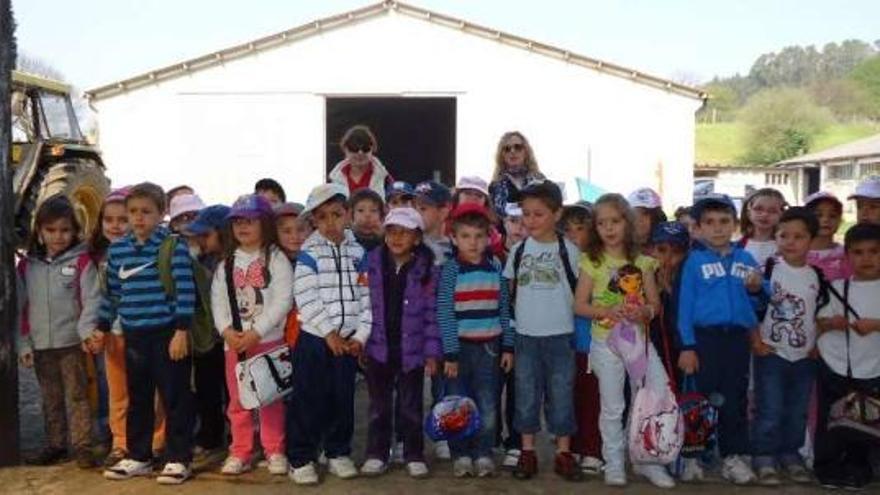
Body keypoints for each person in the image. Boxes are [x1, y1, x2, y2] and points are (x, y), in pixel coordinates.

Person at [98, 182, 197, 485]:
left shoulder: (172, 246)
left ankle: (179, 458)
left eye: (146, 211)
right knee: (138, 398)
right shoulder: (117, 251)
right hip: (134, 337)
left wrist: (181, 331)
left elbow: (185, 290)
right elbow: (111, 295)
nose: (138, 218)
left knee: (174, 397)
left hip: (167, 335)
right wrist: (101, 328)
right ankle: (138, 456)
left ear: (161, 213)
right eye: (133, 212)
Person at [573, 193, 673, 488]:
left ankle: (646, 460)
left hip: (639, 345)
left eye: (615, 221)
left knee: (654, 394)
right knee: (613, 406)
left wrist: (644, 311)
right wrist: (607, 310)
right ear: (595, 228)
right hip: (605, 345)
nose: (609, 228)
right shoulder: (592, 261)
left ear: (627, 223)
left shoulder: (643, 263)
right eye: (601, 223)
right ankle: (613, 462)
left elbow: (655, 305)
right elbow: (579, 305)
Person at [677, 194, 765, 485]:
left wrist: (756, 288)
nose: (717, 228)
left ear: (735, 225)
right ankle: (691, 456)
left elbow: (765, 295)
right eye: (709, 223)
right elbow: (685, 308)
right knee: (698, 401)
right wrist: (687, 346)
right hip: (704, 340)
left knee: (735, 399)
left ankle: (733, 457)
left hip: (737, 341)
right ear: (698, 228)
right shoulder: (694, 262)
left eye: (724, 221)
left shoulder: (746, 258)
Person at [287, 183, 372, 485]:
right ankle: (301, 457)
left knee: (342, 398)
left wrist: (361, 335)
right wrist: (328, 334)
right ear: (314, 222)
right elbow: (306, 299)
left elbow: (366, 298)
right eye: (322, 218)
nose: (330, 223)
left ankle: (337, 452)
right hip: (314, 339)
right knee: (308, 399)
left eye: (337, 214)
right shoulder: (309, 253)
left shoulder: (358, 252)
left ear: (348, 214)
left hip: (347, 341)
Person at [505, 181, 583, 481]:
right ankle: (527, 452)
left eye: (538, 214)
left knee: (561, 394)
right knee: (526, 395)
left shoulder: (570, 251)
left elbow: (581, 290)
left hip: (561, 336)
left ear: (556, 213)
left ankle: (564, 453)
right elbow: (511, 290)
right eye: (526, 214)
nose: (530, 220)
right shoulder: (519, 250)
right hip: (526, 337)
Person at [211, 194, 294, 476]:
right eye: (237, 222)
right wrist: (226, 331)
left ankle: (274, 450)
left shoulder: (276, 258)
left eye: (250, 221)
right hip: (235, 345)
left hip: (269, 341)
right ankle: (241, 450)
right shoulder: (227, 264)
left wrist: (258, 332)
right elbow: (218, 301)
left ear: (265, 224)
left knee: (271, 399)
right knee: (238, 401)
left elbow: (283, 299)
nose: (243, 227)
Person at [16, 195, 100, 468]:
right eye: (50, 230)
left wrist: (86, 333)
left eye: (65, 230)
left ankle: (83, 447)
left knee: (77, 396)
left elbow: (91, 300)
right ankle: (56, 445)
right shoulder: (27, 266)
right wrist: (24, 345)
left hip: (72, 344)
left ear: (75, 231)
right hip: (41, 347)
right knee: (50, 399)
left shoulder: (82, 262)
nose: (58, 236)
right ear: (39, 232)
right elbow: (22, 309)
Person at [88, 188, 168, 468]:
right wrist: (98, 329)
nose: (116, 225)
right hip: (115, 334)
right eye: (109, 219)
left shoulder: (155, 250)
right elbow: (104, 300)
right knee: (118, 392)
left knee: (153, 392)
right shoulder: (98, 259)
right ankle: (121, 443)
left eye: (123, 219)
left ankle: (157, 442)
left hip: (146, 332)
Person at [360, 208, 440, 479]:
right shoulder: (370, 263)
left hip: (412, 353)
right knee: (378, 407)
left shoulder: (427, 270)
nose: (396, 237)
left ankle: (413, 453)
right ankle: (377, 453)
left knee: (411, 407)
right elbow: (362, 306)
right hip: (377, 349)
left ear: (417, 238)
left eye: (404, 232)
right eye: (392, 231)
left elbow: (431, 315)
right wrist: (361, 341)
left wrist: (432, 353)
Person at [437, 203, 513, 478]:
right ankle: (460, 454)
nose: (473, 242)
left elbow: (504, 308)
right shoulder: (450, 270)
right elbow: (444, 312)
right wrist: (451, 354)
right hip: (460, 349)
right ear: (454, 239)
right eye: (466, 236)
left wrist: (507, 345)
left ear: (488, 237)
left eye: (479, 236)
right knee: (458, 404)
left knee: (488, 402)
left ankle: (483, 453)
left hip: (490, 349)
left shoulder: (496, 266)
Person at [750, 207, 823, 486]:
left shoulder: (816, 276)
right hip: (772, 352)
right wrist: (756, 341)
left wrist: (817, 344)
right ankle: (764, 455)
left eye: (799, 236)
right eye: (784, 235)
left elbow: (818, 314)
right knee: (769, 406)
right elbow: (751, 308)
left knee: (797, 409)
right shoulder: (768, 270)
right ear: (776, 238)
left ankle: (790, 454)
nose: (791, 242)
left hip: (804, 356)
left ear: (811, 241)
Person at [814, 223, 880, 490]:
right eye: (858, 252)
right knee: (831, 419)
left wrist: (875, 325)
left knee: (865, 421)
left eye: (874, 252)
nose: (866, 258)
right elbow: (819, 320)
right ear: (847, 256)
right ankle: (827, 468)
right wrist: (832, 323)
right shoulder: (836, 287)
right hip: (835, 364)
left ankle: (857, 468)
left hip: (873, 367)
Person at [184, 204, 232, 458]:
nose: (201, 240)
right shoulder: (200, 262)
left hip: (232, 337)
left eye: (206, 235)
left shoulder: (236, 261)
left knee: (235, 391)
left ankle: (238, 436)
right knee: (207, 390)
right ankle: (210, 435)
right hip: (207, 339)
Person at [560, 201, 603, 476]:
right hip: (564, 341)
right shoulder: (559, 259)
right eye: (568, 230)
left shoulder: (600, 262)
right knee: (568, 397)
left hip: (594, 342)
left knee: (593, 400)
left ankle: (592, 450)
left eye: (581, 229)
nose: (575, 236)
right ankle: (572, 446)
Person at [649, 221, 690, 385]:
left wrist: (668, 288)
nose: (667, 258)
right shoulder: (642, 277)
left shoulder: (689, 280)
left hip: (679, 353)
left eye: (676, 252)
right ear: (651, 250)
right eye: (661, 250)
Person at [488, 131, 545, 218]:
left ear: (526, 152)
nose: (512, 151)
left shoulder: (540, 180)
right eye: (507, 149)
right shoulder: (495, 185)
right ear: (502, 155)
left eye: (517, 147)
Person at [328, 124, 394, 196]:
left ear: (372, 149)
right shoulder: (332, 180)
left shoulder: (385, 178)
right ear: (345, 149)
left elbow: (395, 203)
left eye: (365, 148)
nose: (360, 153)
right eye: (354, 148)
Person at [805, 192, 851, 281]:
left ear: (840, 220)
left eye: (832, 216)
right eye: (818, 215)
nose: (825, 219)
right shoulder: (797, 253)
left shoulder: (846, 255)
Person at [740, 188, 787, 269]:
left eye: (772, 211)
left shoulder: (786, 246)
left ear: (781, 215)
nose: (765, 214)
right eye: (758, 209)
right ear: (748, 213)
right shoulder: (737, 247)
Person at [414, 180, 453, 265]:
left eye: (423, 208)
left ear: (443, 212)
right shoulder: (405, 245)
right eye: (414, 207)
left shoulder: (455, 250)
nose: (416, 213)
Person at [628, 187, 666, 254]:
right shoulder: (618, 247)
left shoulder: (666, 247)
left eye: (645, 214)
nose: (639, 219)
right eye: (635, 214)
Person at [350, 188, 385, 253]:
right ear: (351, 215)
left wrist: (382, 237)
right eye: (360, 210)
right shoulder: (347, 239)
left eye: (373, 210)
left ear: (381, 216)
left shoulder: (387, 241)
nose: (367, 215)